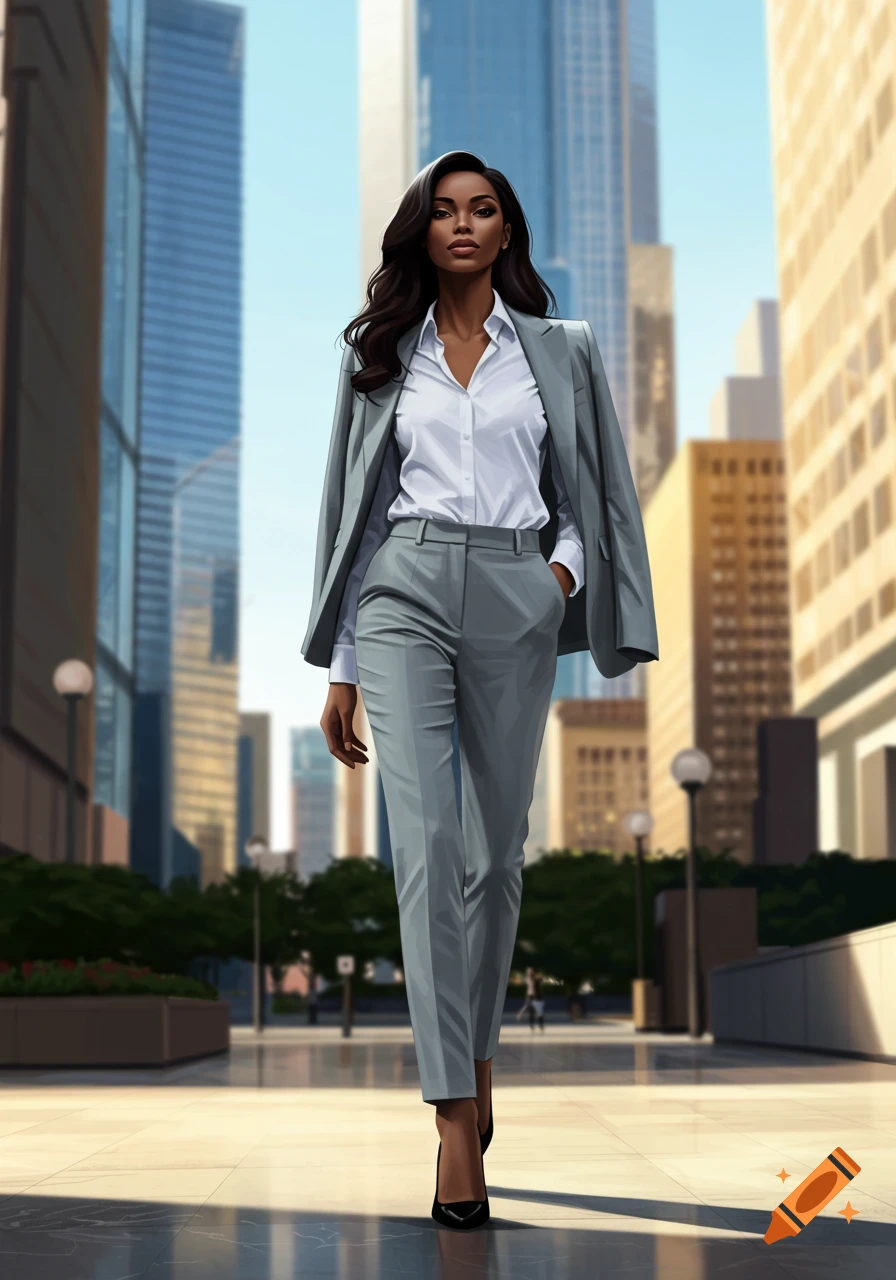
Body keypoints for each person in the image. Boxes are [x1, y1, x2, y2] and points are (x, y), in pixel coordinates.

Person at [302, 149, 658, 1230]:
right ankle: (453, 1113)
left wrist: (557, 582)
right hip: (402, 587)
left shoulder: (561, 351)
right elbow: (356, 516)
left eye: (482, 209)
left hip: (515, 587)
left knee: (495, 854)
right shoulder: (379, 358)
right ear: (423, 231)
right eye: (444, 210)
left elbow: (585, 494)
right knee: (426, 847)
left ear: (506, 232)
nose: (462, 224)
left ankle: (479, 1046)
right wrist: (345, 670)